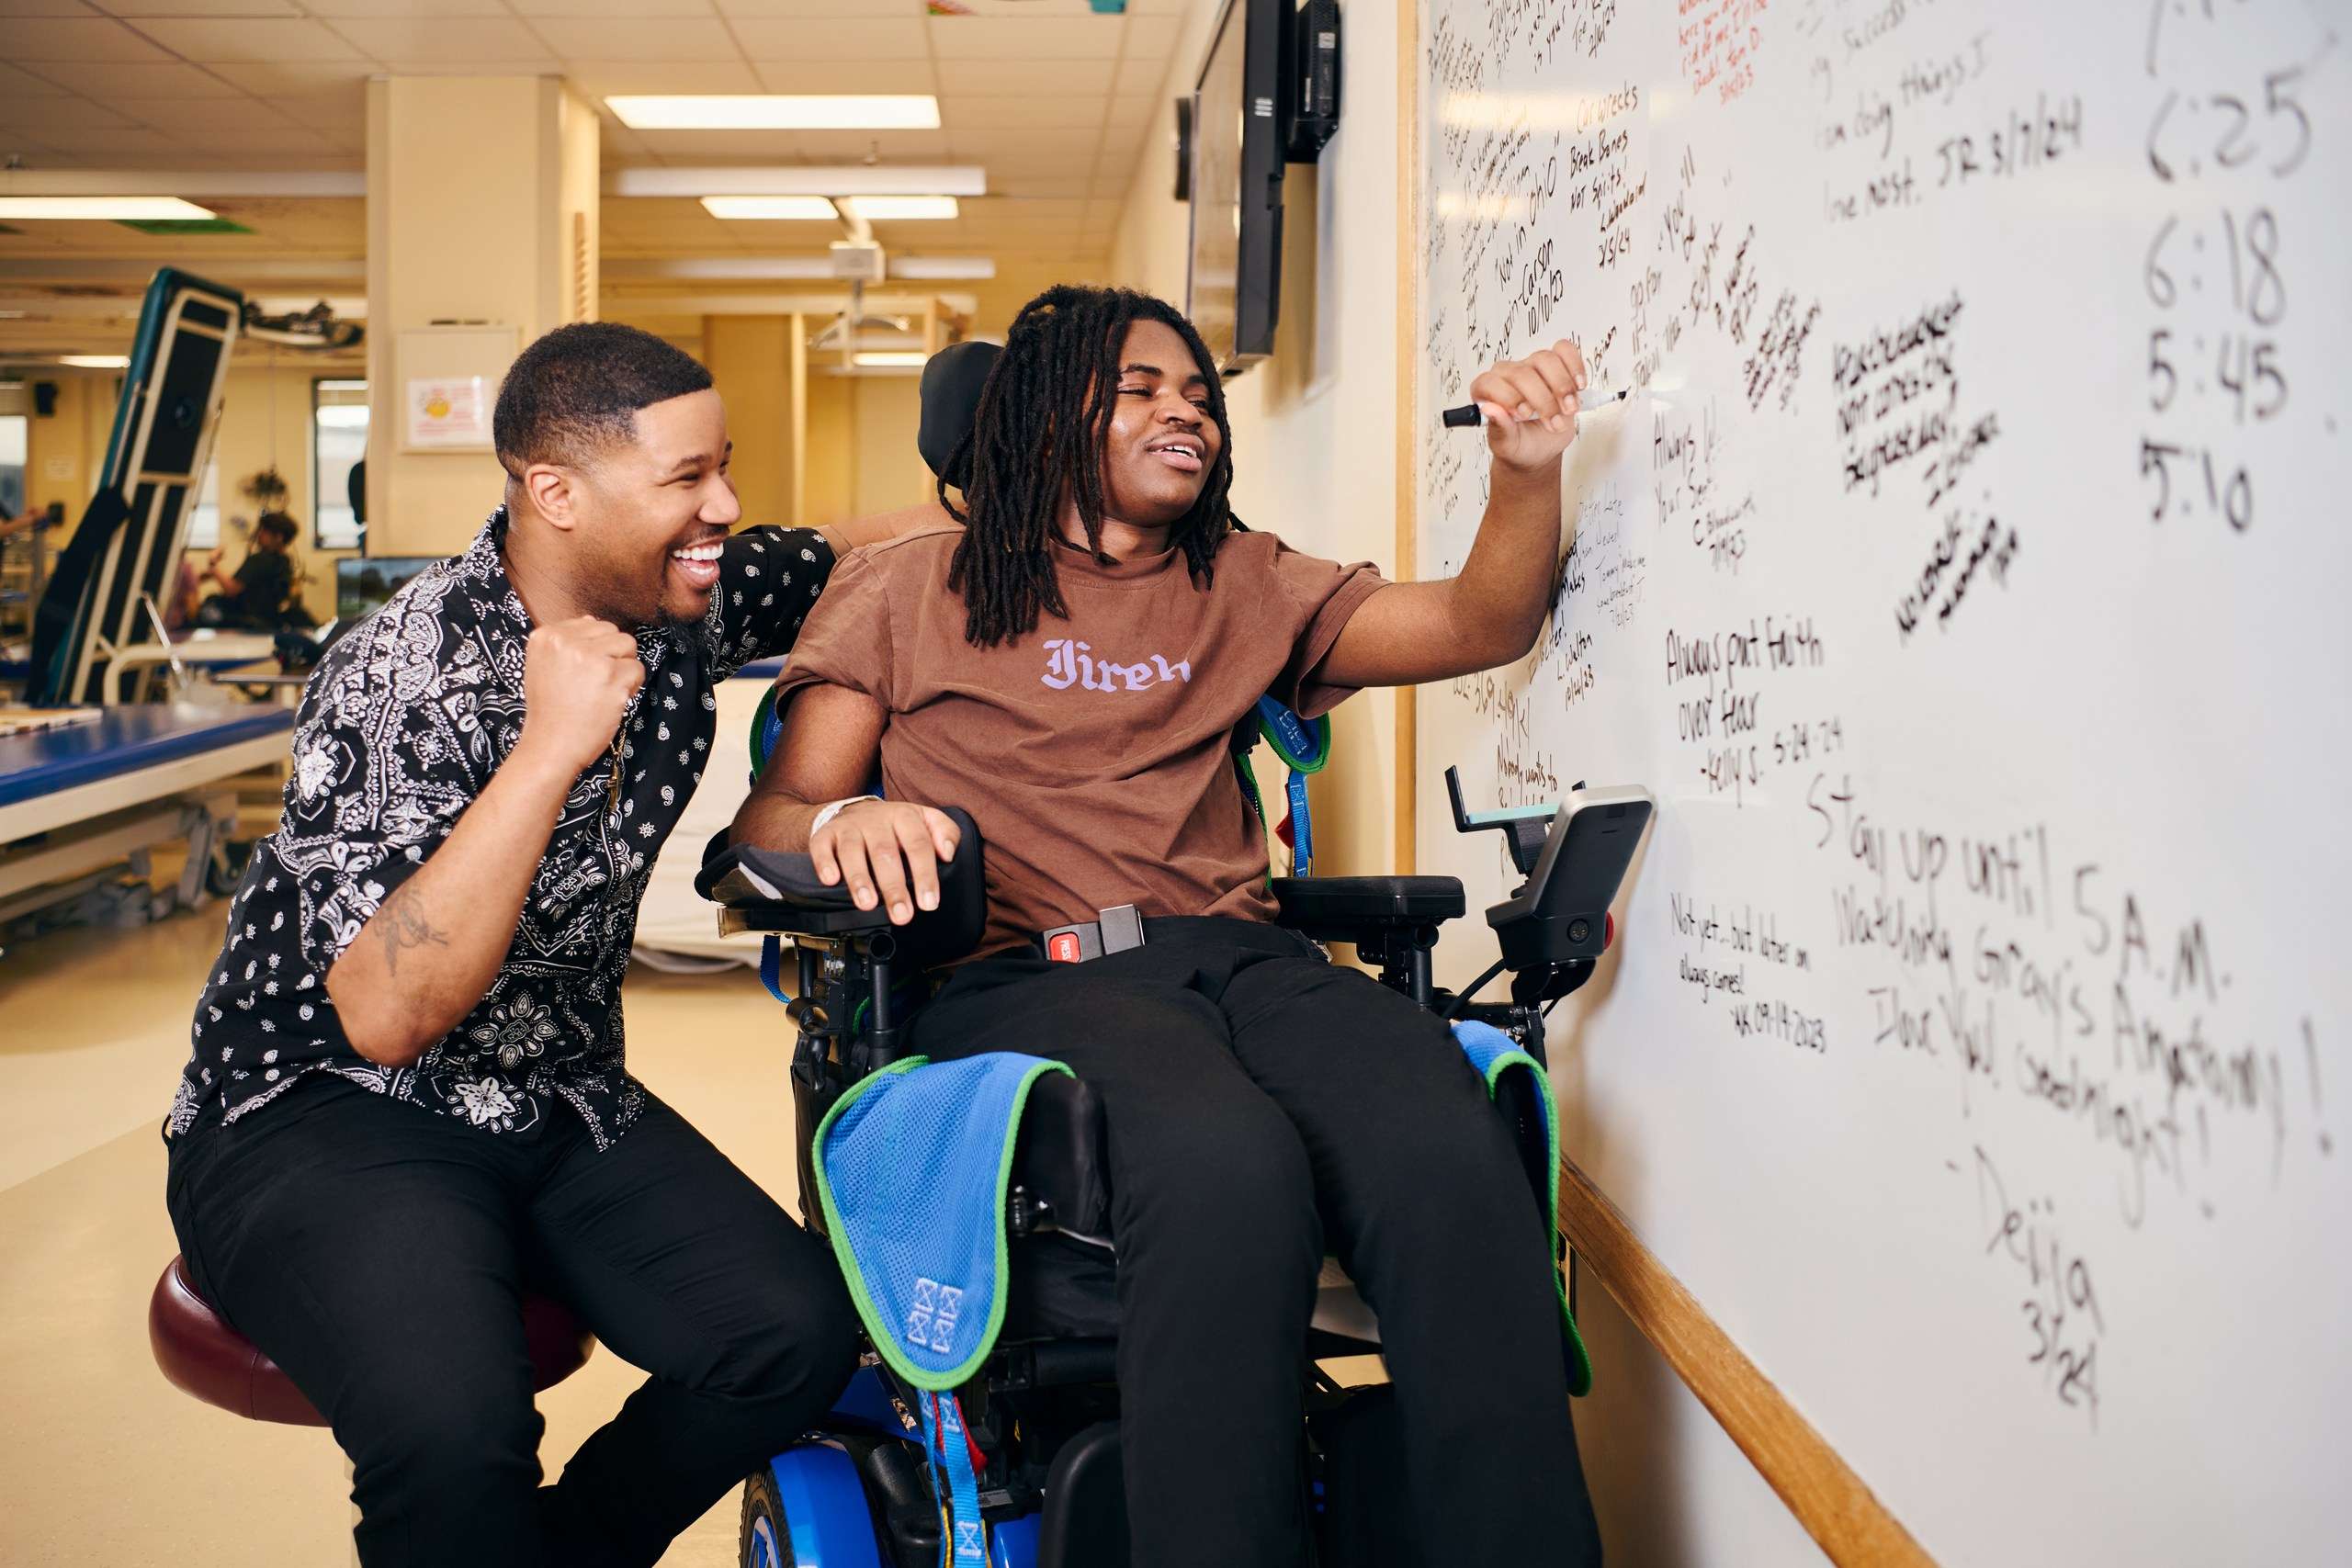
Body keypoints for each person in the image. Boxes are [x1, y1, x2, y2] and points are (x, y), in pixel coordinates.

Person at [731, 285, 1602, 1567]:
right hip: (1029, 973)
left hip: (1247, 960)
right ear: (1042, 420)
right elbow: (774, 816)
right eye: (1137, 389)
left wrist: (1526, 470)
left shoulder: (1245, 579)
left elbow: (1481, 622)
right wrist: (842, 822)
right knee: (1220, 1162)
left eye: (1197, 394)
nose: (1183, 411)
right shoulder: (907, 589)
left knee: (1445, 1142)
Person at [161, 321, 933, 1568]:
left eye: (723, 466)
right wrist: (548, 745)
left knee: (790, 1336)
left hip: (552, 1089)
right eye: (688, 478)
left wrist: (1039, 497)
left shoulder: (677, 593)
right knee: (453, 1434)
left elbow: (860, 546)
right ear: (556, 493)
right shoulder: (400, 668)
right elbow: (387, 1015)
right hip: (319, 1105)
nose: (725, 505)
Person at [197, 509, 299, 626]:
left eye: (264, 531)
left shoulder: (260, 559)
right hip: (268, 621)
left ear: (278, 537)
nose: (259, 534)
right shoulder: (285, 561)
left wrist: (213, 567)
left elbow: (231, 590)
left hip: (245, 621)